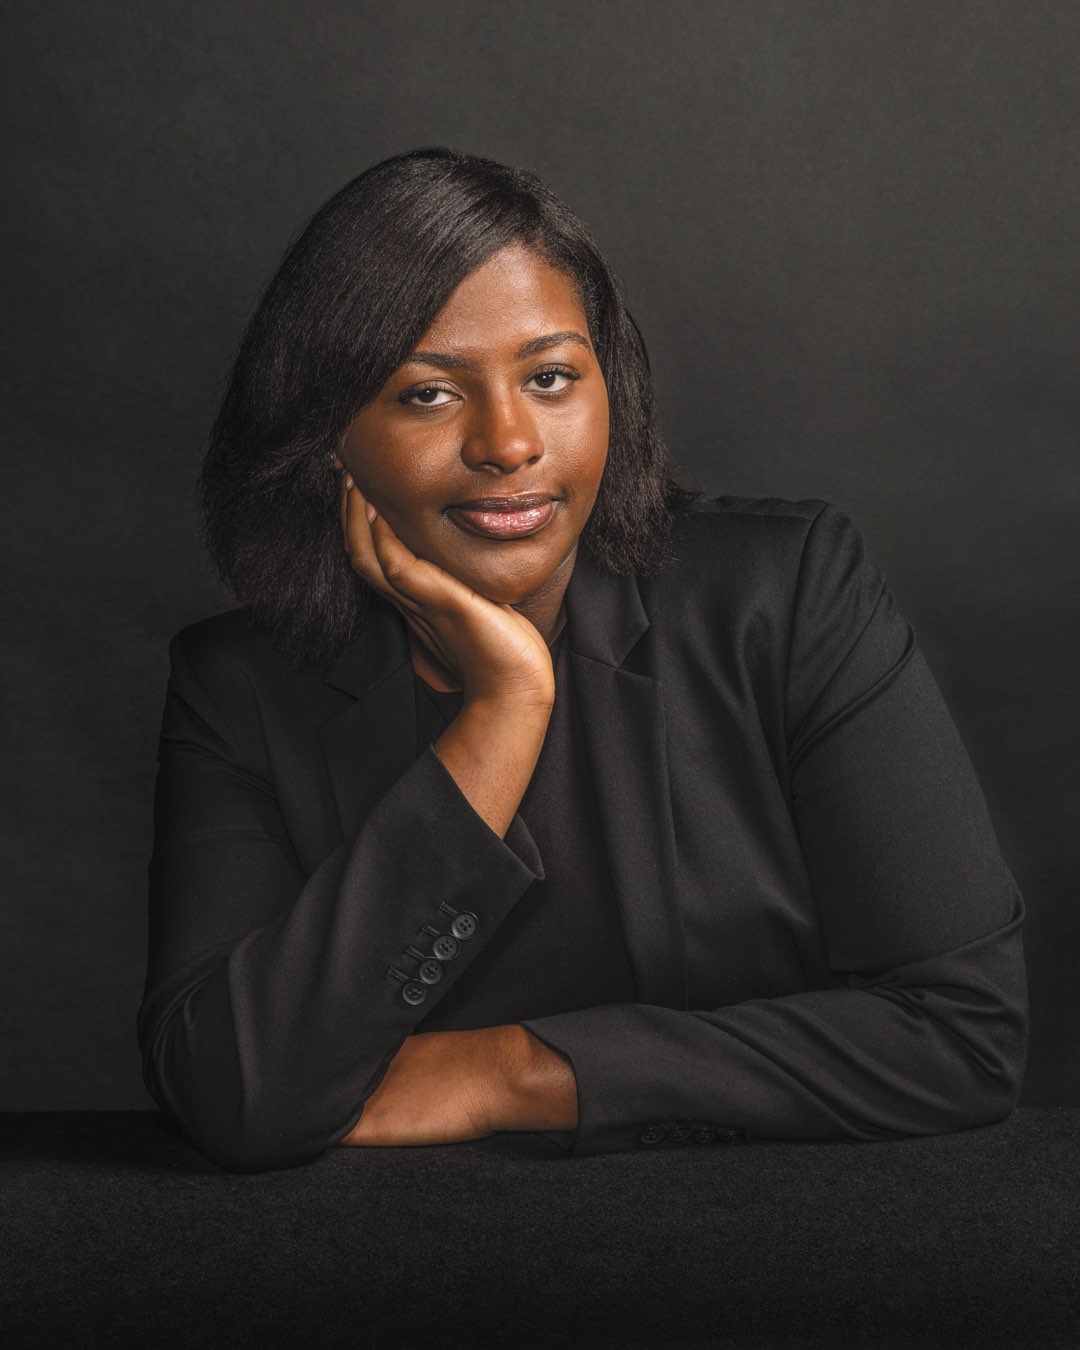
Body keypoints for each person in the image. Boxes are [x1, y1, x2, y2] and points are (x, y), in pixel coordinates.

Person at [136, 146, 1027, 1174]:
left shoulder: (787, 597)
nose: (510, 443)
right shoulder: (239, 688)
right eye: (428, 395)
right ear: (328, 438)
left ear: (615, 388)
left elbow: (962, 1038)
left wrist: (510, 1074)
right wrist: (500, 714)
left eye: (551, 377)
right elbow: (234, 1094)